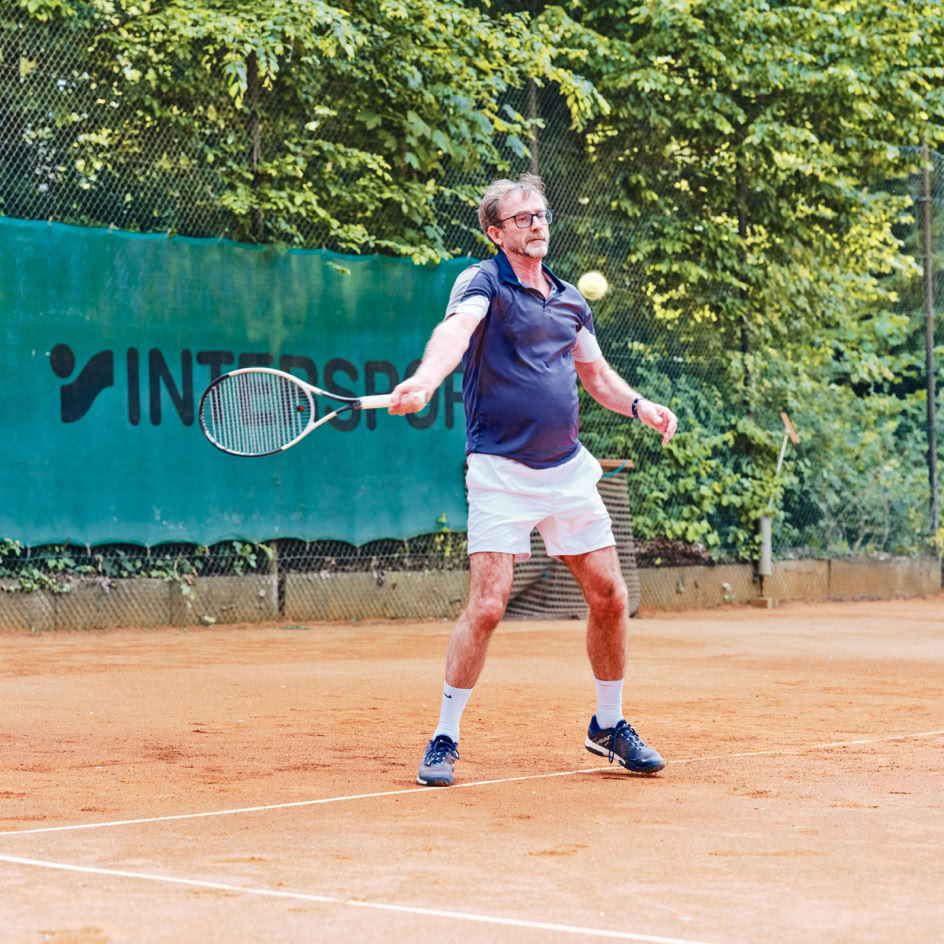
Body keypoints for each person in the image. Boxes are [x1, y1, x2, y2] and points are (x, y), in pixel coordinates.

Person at [388, 173, 678, 787]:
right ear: (496, 232)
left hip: (567, 469)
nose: (537, 224)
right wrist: (426, 379)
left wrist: (639, 406)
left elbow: (597, 377)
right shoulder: (483, 282)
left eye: (541, 214)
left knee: (610, 596)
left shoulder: (571, 301)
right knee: (488, 606)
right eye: (521, 218)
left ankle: (608, 725)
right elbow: (454, 333)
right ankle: (445, 736)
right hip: (500, 471)